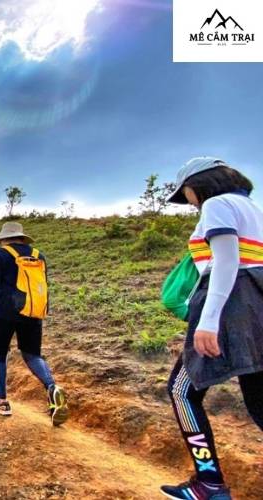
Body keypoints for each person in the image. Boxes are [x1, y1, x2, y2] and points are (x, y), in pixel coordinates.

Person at [158, 158, 263, 500]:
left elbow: (226, 261)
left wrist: (208, 319)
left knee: (182, 391)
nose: (187, 200)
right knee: (259, 400)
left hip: (230, 308)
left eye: (185, 191)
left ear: (198, 184)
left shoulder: (216, 205)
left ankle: (210, 484)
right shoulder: (253, 208)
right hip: (257, 307)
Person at [0, 221, 69, 427]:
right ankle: (52, 388)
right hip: (32, 311)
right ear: (22, 237)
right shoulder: (39, 256)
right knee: (32, 355)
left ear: (3, 238)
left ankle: (1, 401)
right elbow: (42, 287)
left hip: (4, 312)